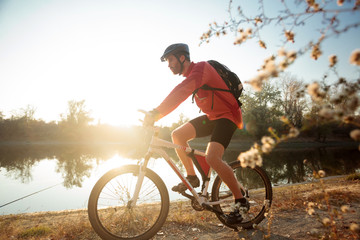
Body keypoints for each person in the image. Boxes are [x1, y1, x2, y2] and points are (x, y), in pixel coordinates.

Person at [144, 43, 249, 224]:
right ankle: (192, 177)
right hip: (213, 117)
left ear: (182, 57)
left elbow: (181, 91)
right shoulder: (193, 75)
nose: (168, 64)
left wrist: (156, 113)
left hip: (229, 117)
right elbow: (182, 91)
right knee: (177, 135)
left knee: (212, 158)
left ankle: (241, 201)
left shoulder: (201, 68)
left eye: (170, 59)